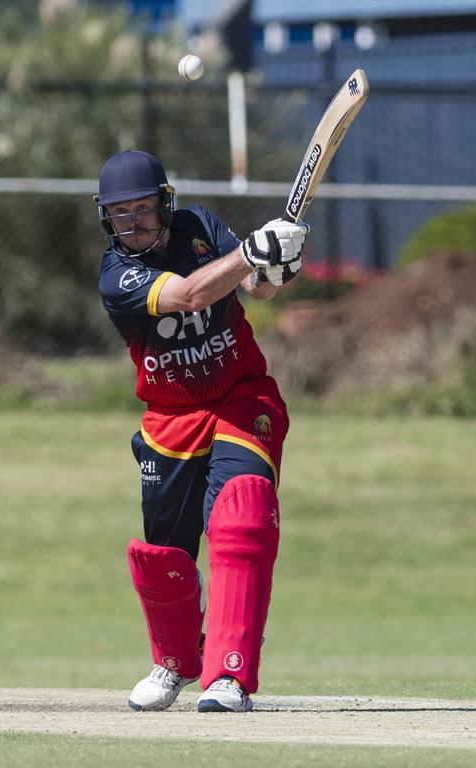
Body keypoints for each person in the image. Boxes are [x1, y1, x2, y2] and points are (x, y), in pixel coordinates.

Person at [94, 150, 308, 713]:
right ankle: (174, 662)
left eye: (142, 209)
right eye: (121, 214)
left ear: (164, 203)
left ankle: (229, 675)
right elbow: (189, 294)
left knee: (243, 512)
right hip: (171, 419)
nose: (133, 222)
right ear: (107, 218)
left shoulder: (200, 227)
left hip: (241, 395)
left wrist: (275, 267)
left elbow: (255, 287)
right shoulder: (117, 274)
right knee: (164, 553)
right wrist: (251, 254)